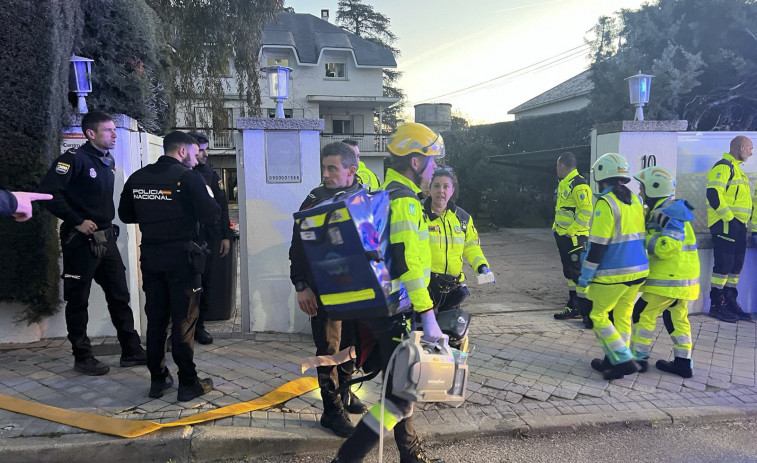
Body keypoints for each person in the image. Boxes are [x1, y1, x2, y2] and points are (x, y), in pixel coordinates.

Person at [331, 122, 443, 463]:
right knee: (400, 398)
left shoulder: (387, 193)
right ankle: (346, 459)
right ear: (415, 161)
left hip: (388, 309)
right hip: (399, 312)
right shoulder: (405, 202)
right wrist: (428, 316)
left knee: (403, 389)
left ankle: (409, 456)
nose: (435, 169)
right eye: (432, 161)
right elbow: (407, 262)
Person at [37, 111, 146, 376]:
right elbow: (49, 194)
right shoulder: (71, 160)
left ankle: (131, 350)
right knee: (78, 300)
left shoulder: (105, 161)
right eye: (108, 130)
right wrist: (76, 221)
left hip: (106, 239)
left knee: (120, 295)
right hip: (81, 241)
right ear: (90, 134)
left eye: (114, 130)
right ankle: (82, 356)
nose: (114, 135)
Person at [118, 131, 220, 402]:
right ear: (183, 152)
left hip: (151, 257)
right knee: (184, 322)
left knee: (156, 321)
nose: (198, 157)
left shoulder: (137, 178)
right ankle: (188, 382)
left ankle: (158, 379)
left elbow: (126, 215)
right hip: (183, 259)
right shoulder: (189, 178)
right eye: (195, 152)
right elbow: (212, 213)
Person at [289, 142, 368, 437]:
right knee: (329, 351)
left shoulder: (364, 198)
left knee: (353, 346)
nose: (326, 174)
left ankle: (345, 393)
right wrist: (301, 286)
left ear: (351, 170)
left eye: (332, 168)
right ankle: (332, 411)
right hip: (322, 292)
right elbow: (297, 247)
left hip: (358, 290)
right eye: (324, 168)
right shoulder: (313, 201)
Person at [577, 153, 648, 381]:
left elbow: (597, 246)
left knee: (598, 315)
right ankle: (613, 363)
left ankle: (623, 359)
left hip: (614, 274)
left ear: (601, 177)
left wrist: (585, 276)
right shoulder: (635, 200)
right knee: (623, 316)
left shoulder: (606, 203)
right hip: (638, 271)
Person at [629, 167, 698, 378]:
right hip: (680, 279)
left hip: (669, 279)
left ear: (654, 188)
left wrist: (644, 241)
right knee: (676, 318)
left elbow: (668, 247)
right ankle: (683, 363)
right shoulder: (667, 209)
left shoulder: (668, 212)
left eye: (642, 188)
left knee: (642, 312)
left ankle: (638, 359)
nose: (640, 192)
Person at [423, 167, 491, 348]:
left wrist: (482, 266)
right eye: (436, 186)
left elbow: (471, 247)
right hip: (426, 289)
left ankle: (452, 374)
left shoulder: (463, 219)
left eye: (446, 186)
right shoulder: (419, 216)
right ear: (429, 189)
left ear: (453, 190)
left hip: (452, 290)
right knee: (426, 341)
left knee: (454, 340)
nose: (441, 191)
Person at [187, 132, 233, 345]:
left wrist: (226, 236)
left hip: (209, 238)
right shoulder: (179, 173)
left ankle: (200, 326)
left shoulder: (210, 175)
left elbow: (222, 206)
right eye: (201, 149)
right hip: (184, 238)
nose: (205, 153)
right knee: (184, 285)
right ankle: (182, 328)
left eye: (206, 148)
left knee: (205, 284)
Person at [705, 136, 753, 322]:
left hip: (738, 225)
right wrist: (729, 219)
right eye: (749, 148)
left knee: (735, 267)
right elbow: (713, 194)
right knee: (723, 266)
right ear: (740, 147)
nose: (751, 152)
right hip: (726, 224)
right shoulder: (724, 166)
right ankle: (717, 305)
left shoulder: (739, 171)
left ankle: (730, 302)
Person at [551, 152, 593, 324]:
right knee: (569, 272)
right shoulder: (565, 183)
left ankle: (586, 311)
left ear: (561, 165)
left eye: (557, 166)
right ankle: (573, 305)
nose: (556, 169)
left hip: (574, 238)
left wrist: (571, 231)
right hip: (563, 236)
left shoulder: (579, 184)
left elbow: (586, 211)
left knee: (577, 273)